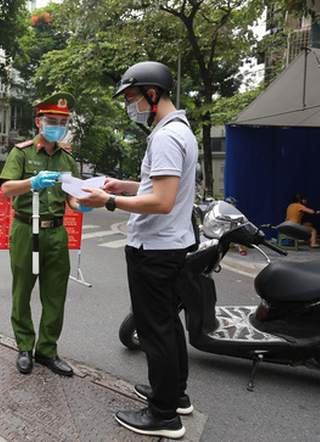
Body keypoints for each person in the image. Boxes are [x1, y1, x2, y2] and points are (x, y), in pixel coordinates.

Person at [77, 61, 197, 439]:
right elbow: (159, 186)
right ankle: (175, 395)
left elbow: (161, 201)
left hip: (154, 248)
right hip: (172, 245)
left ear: (153, 93)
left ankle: (163, 415)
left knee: (153, 328)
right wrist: (123, 186)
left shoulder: (164, 137)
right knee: (167, 323)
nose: (131, 106)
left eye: (132, 98)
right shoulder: (181, 131)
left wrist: (106, 202)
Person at [0, 91, 90, 377]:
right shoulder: (22, 152)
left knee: (55, 294)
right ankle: (25, 347)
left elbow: (71, 198)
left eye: (62, 121)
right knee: (22, 290)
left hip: (56, 233)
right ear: (39, 122)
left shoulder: (67, 159)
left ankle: (47, 350)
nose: (58, 126)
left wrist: (82, 203)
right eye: (52, 120)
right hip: (26, 229)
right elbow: (6, 189)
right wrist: (32, 182)